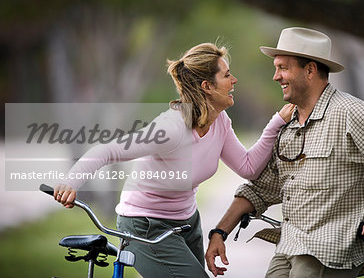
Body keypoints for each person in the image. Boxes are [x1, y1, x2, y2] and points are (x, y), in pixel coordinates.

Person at [53, 42, 295, 278]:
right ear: (207, 86)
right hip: (145, 225)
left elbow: (248, 167)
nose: (234, 81)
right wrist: (71, 183)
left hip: (187, 222)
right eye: (227, 75)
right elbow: (108, 151)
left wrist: (276, 124)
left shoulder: (220, 121)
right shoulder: (171, 128)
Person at [205, 27, 364, 278]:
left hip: (328, 251)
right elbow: (261, 189)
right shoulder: (289, 124)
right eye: (276, 68)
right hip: (288, 246)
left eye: (283, 68)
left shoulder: (348, 112)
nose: (276, 76)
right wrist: (219, 233)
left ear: (310, 70)